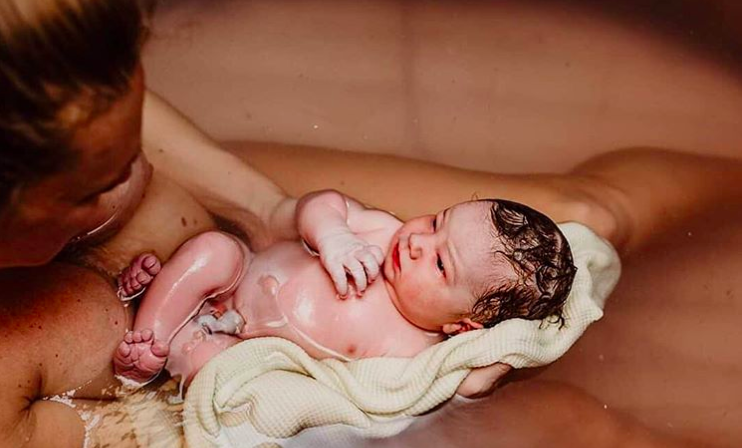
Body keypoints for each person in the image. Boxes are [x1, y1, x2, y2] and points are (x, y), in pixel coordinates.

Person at [2, 0, 742, 448]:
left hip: (262, 238)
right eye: (101, 183)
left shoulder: (26, 22)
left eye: (135, 140)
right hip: (198, 379)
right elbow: (202, 442)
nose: (138, 179)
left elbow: (229, 187)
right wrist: (402, 399)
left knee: (589, 221)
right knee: (571, 436)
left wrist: (280, 214)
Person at [112, 191, 575, 388]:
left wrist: (493, 368)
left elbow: (447, 387)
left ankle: (159, 358)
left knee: (215, 366)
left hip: (241, 344)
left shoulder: (411, 349)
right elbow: (319, 204)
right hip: (237, 276)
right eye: (437, 221)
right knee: (214, 250)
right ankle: (150, 330)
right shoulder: (379, 230)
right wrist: (333, 236)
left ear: (461, 325)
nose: (416, 242)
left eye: (438, 262)